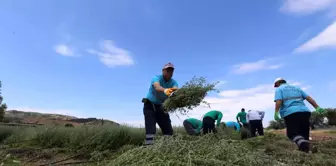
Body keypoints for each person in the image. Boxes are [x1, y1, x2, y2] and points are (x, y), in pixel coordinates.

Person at [273, 77, 325, 153]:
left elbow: (279, 101)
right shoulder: (296, 88)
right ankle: (306, 151)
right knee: (304, 134)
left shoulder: (279, 89)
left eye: (276, 85)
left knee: (292, 133)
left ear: (278, 83)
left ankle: (304, 146)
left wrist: (276, 112)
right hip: (305, 112)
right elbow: (309, 98)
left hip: (291, 113)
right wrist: (317, 107)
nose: (276, 87)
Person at [142, 63, 178, 145]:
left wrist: (176, 94)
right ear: (163, 71)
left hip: (162, 107)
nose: (169, 72)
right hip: (150, 105)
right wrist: (165, 90)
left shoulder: (173, 82)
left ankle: (167, 147)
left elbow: (176, 90)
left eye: (171, 71)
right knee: (150, 129)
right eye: (167, 70)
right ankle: (149, 149)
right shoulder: (156, 78)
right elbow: (157, 87)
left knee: (168, 129)